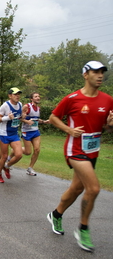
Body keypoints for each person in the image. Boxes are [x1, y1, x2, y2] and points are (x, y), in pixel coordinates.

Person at [46, 61, 113, 252]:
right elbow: (53, 118)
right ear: (85, 74)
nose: (100, 75)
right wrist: (69, 129)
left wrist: (110, 125)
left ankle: (56, 215)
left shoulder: (108, 100)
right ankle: (83, 228)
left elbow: (106, 129)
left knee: (76, 189)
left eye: (102, 72)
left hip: (93, 151)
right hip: (75, 150)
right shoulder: (72, 98)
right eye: (95, 72)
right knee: (93, 188)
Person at [8, 92, 49, 176]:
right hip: (26, 131)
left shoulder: (38, 108)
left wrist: (44, 121)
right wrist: (26, 120)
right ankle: (13, 152)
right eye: (36, 96)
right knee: (27, 152)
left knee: (37, 150)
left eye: (38, 96)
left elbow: (35, 119)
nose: (38, 98)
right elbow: (19, 118)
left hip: (35, 131)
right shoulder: (27, 106)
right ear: (31, 99)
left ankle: (30, 168)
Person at [0, 87, 23, 183]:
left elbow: (18, 117)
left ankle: (6, 166)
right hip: (4, 133)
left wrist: (22, 117)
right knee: (4, 156)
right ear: (10, 96)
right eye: (15, 94)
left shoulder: (20, 105)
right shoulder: (5, 106)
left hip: (14, 133)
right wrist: (7, 118)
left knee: (19, 154)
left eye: (18, 94)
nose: (17, 96)